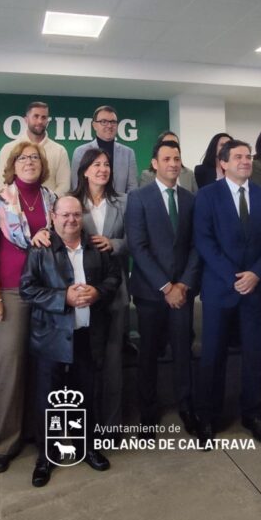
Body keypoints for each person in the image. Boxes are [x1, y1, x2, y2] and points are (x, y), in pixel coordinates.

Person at [21, 196, 118, 487]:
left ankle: (86, 447)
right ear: (53, 216)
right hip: (50, 336)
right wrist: (63, 297)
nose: (71, 220)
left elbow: (114, 278)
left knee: (86, 394)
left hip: (87, 334)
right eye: (65, 215)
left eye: (76, 214)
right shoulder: (40, 248)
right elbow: (27, 289)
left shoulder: (96, 247)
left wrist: (98, 292)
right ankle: (46, 456)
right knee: (48, 400)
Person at [193, 140, 261, 445]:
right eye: (238, 157)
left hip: (256, 290)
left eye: (248, 156)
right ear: (223, 163)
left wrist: (256, 274)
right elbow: (204, 241)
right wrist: (234, 277)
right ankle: (208, 417)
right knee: (212, 356)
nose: (246, 161)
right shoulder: (207, 195)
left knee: (255, 355)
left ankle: (252, 414)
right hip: (220, 289)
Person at [0, 140, 57, 473]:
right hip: (10, 293)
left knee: (42, 367)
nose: (29, 162)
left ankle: (36, 433)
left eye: (35, 157)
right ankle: (4, 443)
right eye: (23, 158)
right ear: (12, 165)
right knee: (10, 368)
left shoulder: (52, 199)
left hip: (47, 292)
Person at [125, 140, 201, 432]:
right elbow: (137, 246)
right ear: (155, 164)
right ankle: (148, 411)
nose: (173, 163)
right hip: (150, 292)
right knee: (148, 354)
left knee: (183, 351)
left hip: (183, 292)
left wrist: (183, 284)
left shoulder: (190, 199)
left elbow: (196, 245)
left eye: (177, 158)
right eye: (167, 159)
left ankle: (187, 407)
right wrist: (166, 286)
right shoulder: (138, 197)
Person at [72, 148, 129, 427]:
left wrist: (114, 243)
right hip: (81, 291)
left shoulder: (124, 202)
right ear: (85, 170)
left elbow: (136, 238)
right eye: (96, 164)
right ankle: (85, 423)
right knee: (84, 360)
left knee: (113, 358)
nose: (103, 169)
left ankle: (111, 423)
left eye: (106, 164)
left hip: (116, 289)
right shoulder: (72, 202)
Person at [0, 102, 71, 195]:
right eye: (36, 116)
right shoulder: (8, 148)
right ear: (26, 120)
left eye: (44, 117)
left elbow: (64, 185)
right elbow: (2, 183)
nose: (40, 121)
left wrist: (49, 201)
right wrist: (16, 203)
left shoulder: (60, 151)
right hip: (15, 203)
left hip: (51, 204)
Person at [72, 105, 139, 195]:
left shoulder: (128, 153)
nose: (109, 125)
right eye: (104, 122)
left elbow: (133, 188)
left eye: (113, 122)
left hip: (121, 203)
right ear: (94, 125)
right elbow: (77, 186)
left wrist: (120, 202)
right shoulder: (80, 152)